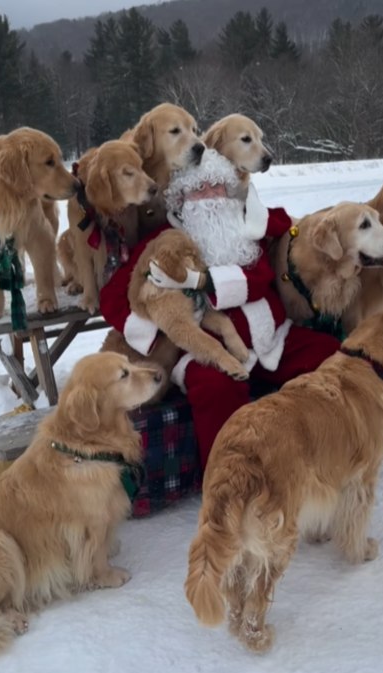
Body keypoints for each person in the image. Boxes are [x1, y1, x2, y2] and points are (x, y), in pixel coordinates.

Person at [98, 151, 339, 466]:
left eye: (218, 187)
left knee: (332, 356)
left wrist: (206, 283)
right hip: (204, 349)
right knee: (215, 388)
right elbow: (112, 298)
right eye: (199, 189)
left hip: (271, 337)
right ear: (181, 199)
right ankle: (227, 475)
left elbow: (262, 275)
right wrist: (158, 326)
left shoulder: (245, 232)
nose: (210, 197)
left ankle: (334, 446)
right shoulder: (163, 240)